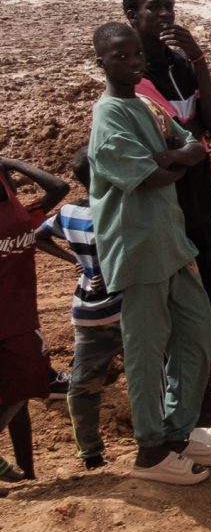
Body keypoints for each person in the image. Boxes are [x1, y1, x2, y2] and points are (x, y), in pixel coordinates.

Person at [88, 24, 211, 482]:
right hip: (137, 247)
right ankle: (150, 451)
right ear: (101, 63)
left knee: (197, 328)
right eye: (120, 57)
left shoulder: (144, 103)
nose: (132, 62)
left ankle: (178, 431)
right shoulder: (108, 116)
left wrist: (172, 156)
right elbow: (154, 176)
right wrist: (169, 159)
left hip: (168, 240)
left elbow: (194, 146)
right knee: (145, 350)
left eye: (134, 55)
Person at [122, 0, 211, 352]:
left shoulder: (182, 65)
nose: (166, 13)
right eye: (155, 6)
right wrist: (191, 138)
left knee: (210, 296)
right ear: (132, 16)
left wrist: (199, 61)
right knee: (171, 308)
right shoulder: (134, 80)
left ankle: (205, 402)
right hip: (162, 210)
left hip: (198, 206)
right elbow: (180, 142)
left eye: (169, 5)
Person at [32, 152, 117, 471]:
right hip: (126, 306)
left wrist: (79, 263)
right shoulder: (118, 209)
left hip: (88, 309)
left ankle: (91, 455)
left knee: (82, 384)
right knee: (153, 373)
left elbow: (39, 237)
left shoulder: (69, 212)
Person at [0, 155, 70, 482]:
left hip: (20, 315)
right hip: (8, 316)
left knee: (24, 387)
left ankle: (28, 473)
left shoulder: (23, 214)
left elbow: (60, 186)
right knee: (20, 387)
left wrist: (11, 162)